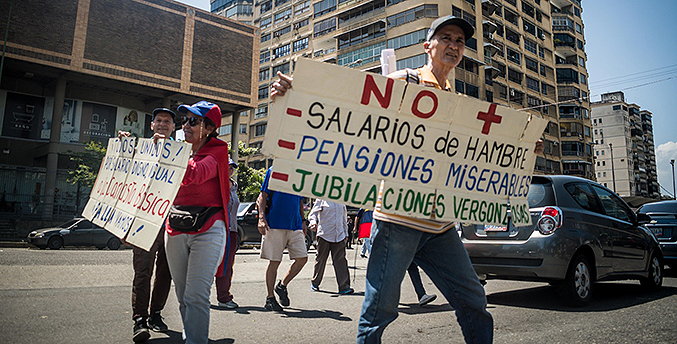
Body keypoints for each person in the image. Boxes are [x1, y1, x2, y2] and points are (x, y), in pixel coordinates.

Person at [271, 16, 545, 344]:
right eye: (446, 38)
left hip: (440, 227)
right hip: (398, 221)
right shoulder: (405, 81)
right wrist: (294, 92)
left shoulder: (458, 102)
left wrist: (522, 148)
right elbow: (344, 99)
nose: (454, 45)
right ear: (428, 46)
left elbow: (473, 156)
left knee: (474, 303)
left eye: (460, 40)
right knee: (379, 312)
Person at [164, 101, 230, 344]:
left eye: (193, 121)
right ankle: (191, 335)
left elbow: (194, 175)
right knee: (182, 294)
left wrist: (168, 148)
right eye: (184, 120)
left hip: (208, 230)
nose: (186, 125)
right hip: (175, 227)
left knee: (196, 295)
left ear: (209, 128)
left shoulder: (218, 152)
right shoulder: (180, 150)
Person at [119, 108, 175, 343]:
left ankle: (156, 313)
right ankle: (139, 319)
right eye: (159, 121)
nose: (162, 124)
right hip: (143, 220)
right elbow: (122, 181)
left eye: (167, 122)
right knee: (143, 271)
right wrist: (122, 150)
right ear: (151, 125)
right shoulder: (138, 150)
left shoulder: (183, 153)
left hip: (172, 222)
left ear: (174, 128)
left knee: (167, 271)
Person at [257, 167, 308, 311]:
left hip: (295, 224)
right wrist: (261, 219)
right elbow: (263, 195)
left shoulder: (301, 173)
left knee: (302, 258)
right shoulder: (274, 170)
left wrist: (303, 221)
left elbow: (299, 201)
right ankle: (270, 298)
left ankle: (282, 285)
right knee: (275, 261)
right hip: (275, 223)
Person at [307, 199, 354, 294]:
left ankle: (344, 286)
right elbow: (312, 214)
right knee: (321, 259)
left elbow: (344, 218)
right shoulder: (322, 199)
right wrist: (313, 222)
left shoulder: (341, 200)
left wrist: (345, 233)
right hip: (325, 234)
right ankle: (315, 283)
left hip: (339, 235)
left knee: (341, 261)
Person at [215, 158, 241, 309]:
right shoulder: (218, 184)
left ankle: (223, 297)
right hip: (218, 228)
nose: (230, 170)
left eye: (232, 168)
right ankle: (199, 297)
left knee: (227, 265)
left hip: (232, 231)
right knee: (210, 264)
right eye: (227, 167)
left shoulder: (234, 186)